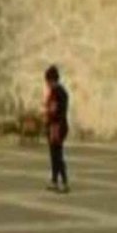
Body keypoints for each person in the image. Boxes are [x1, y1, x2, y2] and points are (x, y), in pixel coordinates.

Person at [44, 65, 70, 193]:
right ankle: (55, 180)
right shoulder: (57, 92)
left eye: (48, 81)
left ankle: (64, 182)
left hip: (57, 126)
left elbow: (56, 110)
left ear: (52, 80)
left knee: (57, 155)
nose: (47, 84)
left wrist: (49, 111)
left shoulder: (59, 92)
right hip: (54, 125)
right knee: (54, 155)